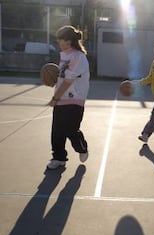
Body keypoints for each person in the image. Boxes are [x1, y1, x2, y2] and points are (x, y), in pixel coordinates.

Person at [46, 25, 89, 170]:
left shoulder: (78, 57)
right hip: (61, 98)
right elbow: (62, 77)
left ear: (68, 41)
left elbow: (68, 81)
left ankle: (82, 148)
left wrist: (55, 98)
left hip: (75, 100)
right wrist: (54, 81)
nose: (58, 41)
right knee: (57, 130)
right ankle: (59, 158)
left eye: (60, 39)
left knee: (71, 130)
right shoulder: (64, 55)